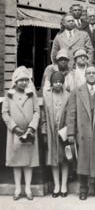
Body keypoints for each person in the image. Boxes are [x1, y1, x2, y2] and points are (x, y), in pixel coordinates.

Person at [66, 65, 95, 200]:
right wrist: (70, 133)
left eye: (94, 73)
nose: (91, 75)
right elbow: (71, 113)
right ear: (85, 76)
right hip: (83, 132)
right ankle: (83, 189)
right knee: (83, 161)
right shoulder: (76, 91)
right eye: (89, 73)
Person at [2, 66, 39, 201]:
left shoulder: (31, 94)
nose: (24, 82)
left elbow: (36, 111)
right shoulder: (9, 95)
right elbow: (5, 113)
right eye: (21, 80)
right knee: (16, 161)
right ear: (15, 82)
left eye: (26, 80)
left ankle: (28, 188)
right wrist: (14, 127)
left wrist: (31, 128)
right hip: (15, 133)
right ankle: (18, 188)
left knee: (28, 162)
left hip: (29, 132)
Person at [40, 71, 70, 198]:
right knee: (53, 159)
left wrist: (68, 130)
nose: (58, 84)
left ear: (63, 83)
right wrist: (44, 132)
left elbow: (71, 115)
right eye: (55, 82)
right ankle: (56, 185)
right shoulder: (46, 96)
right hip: (51, 132)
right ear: (51, 84)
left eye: (60, 82)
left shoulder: (68, 96)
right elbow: (43, 117)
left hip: (63, 132)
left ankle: (64, 185)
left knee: (64, 160)